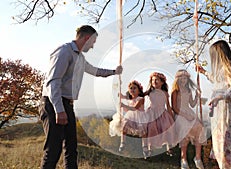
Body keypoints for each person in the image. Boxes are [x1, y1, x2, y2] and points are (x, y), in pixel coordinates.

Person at [39, 25, 123, 169]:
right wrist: (59, 110)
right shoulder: (64, 51)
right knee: (54, 149)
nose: (93, 46)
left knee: (71, 148)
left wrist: (114, 72)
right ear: (87, 38)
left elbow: (95, 71)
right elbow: (53, 82)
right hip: (53, 103)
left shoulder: (80, 58)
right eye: (93, 42)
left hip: (67, 104)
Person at [195, 40, 231, 169]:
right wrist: (203, 72)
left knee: (226, 140)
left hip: (225, 108)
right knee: (219, 141)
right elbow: (217, 80)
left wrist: (222, 96)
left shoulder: (230, 67)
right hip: (217, 109)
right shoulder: (221, 69)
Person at [171, 69, 207, 169]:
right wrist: (185, 116)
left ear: (188, 79)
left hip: (188, 111)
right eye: (181, 78)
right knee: (185, 129)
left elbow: (192, 104)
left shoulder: (189, 90)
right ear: (177, 79)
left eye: (185, 78)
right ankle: (183, 158)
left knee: (199, 127)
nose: (183, 80)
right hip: (179, 114)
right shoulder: (175, 91)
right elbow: (174, 107)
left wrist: (197, 96)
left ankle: (198, 157)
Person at [143, 72, 176, 158]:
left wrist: (171, 116)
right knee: (151, 129)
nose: (154, 81)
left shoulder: (164, 93)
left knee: (166, 127)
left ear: (162, 82)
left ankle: (169, 147)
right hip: (152, 113)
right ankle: (149, 150)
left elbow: (168, 106)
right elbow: (140, 95)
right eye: (153, 80)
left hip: (162, 113)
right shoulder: (150, 91)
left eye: (157, 80)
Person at [109, 80, 148, 154]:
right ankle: (123, 142)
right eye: (131, 88)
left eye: (134, 88)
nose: (132, 89)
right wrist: (122, 105)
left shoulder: (141, 99)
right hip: (131, 116)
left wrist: (124, 105)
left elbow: (134, 108)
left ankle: (145, 147)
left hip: (139, 117)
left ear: (139, 91)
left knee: (143, 132)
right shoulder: (130, 99)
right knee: (124, 126)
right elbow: (128, 109)